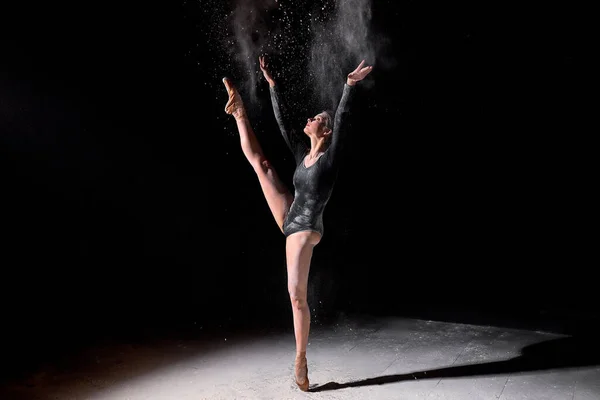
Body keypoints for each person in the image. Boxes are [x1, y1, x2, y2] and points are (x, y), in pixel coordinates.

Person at [222, 55, 373, 391]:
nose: (311, 119)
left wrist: (348, 86)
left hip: (306, 229)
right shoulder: (301, 154)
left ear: (327, 130)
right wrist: (273, 86)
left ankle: (300, 358)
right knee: (263, 164)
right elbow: (282, 122)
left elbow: (344, 118)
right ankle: (240, 112)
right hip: (289, 216)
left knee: (296, 297)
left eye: (318, 118)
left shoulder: (330, 160)